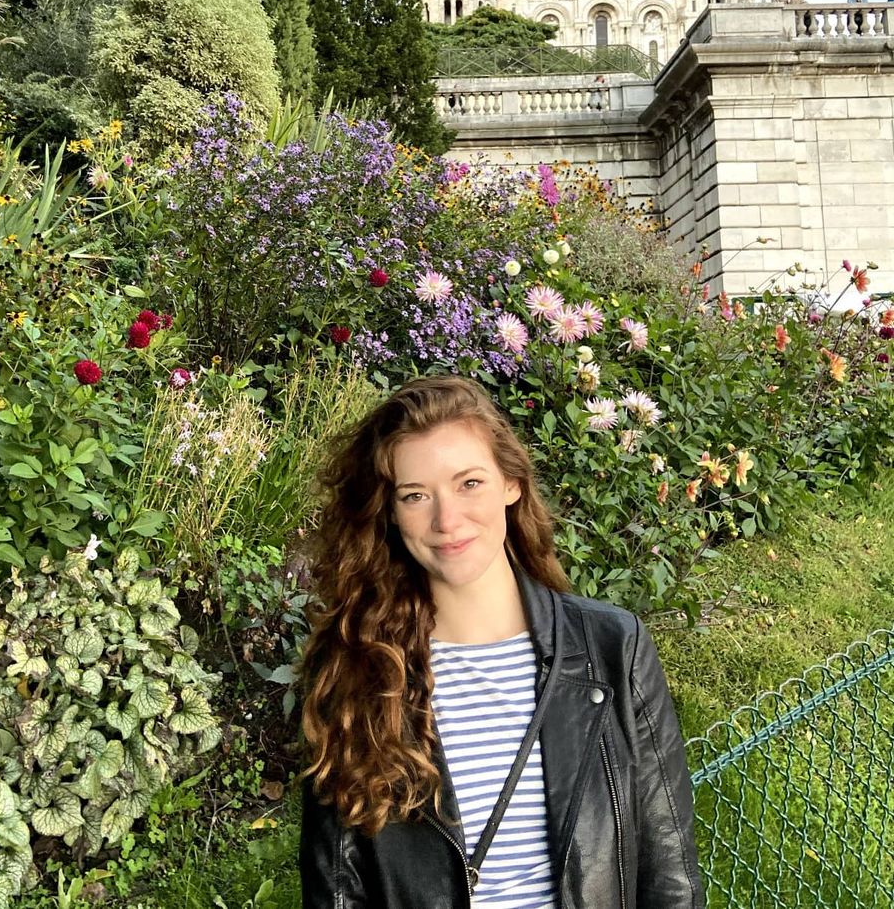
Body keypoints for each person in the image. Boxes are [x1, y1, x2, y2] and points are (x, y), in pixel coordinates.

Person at [300, 376, 704, 908]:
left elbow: (670, 871)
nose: (447, 520)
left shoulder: (612, 648)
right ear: (390, 514)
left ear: (511, 483)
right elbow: (336, 888)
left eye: (469, 483)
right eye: (416, 495)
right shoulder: (356, 668)